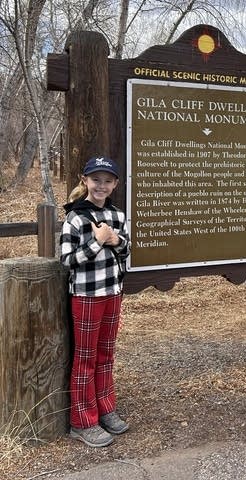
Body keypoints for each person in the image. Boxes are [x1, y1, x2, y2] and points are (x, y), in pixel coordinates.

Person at [60, 156, 131, 447]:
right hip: (87, 296)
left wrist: (116, 241)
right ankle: (83, 421)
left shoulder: (118, 215)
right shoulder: (75, 217)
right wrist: (97, 241)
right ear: (85, 180)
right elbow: (67, 261)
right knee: (86, 359)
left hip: (112, 293)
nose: (101, 185)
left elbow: (126, 254)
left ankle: (106, 408)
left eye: (107, 180)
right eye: (95, 179)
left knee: (106, 356)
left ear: (115, 184)